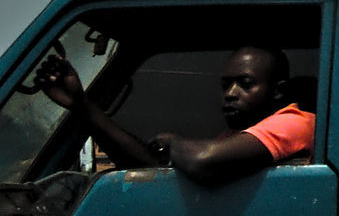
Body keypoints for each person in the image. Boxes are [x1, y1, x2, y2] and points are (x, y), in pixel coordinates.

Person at [35, 43, 315, 185]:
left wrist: (171, 142)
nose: (230, 93)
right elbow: (154, 170)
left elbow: (201, 161)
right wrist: (81, 106)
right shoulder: (235, 137)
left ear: (278, 92)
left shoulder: (295, 122)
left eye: (245, 84)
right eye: (225, 84)